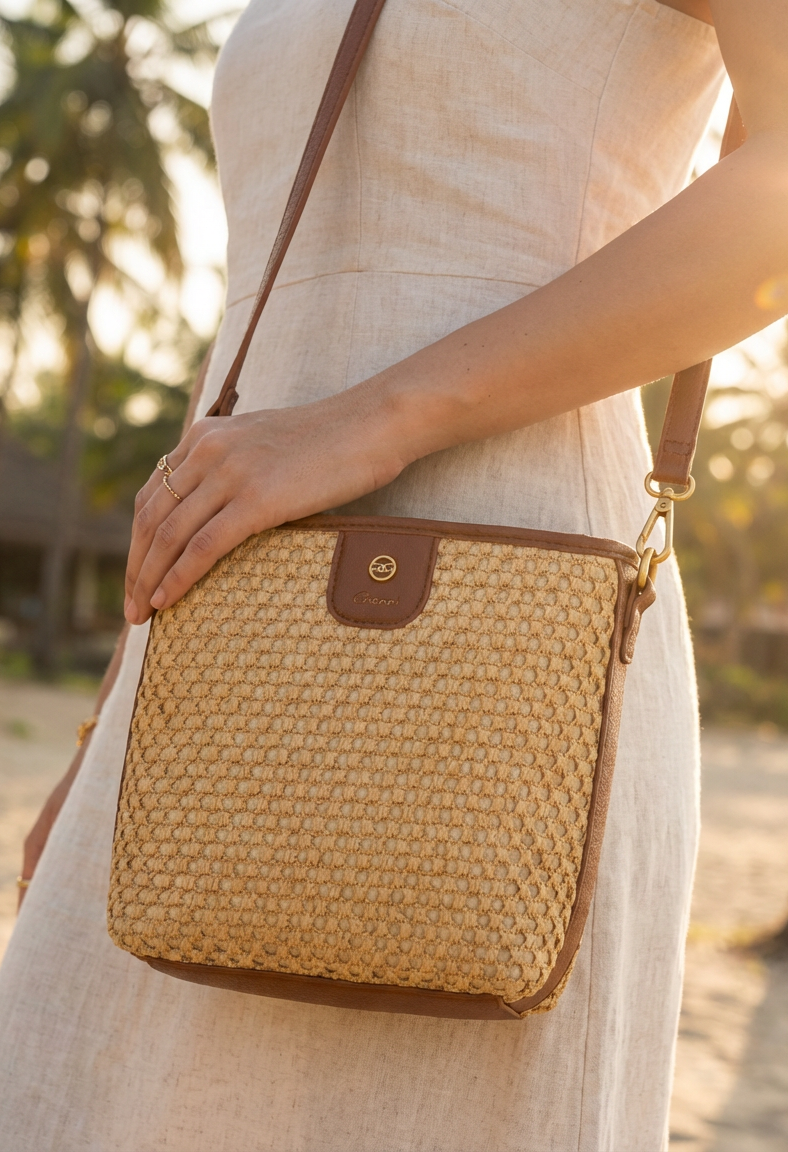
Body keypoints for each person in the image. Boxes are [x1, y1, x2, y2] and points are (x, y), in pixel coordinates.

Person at [2, 0, 786, 1147]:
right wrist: (114, 716)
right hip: (218, 648)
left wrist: (375, 419)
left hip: (521, 612)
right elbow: (259, 337)